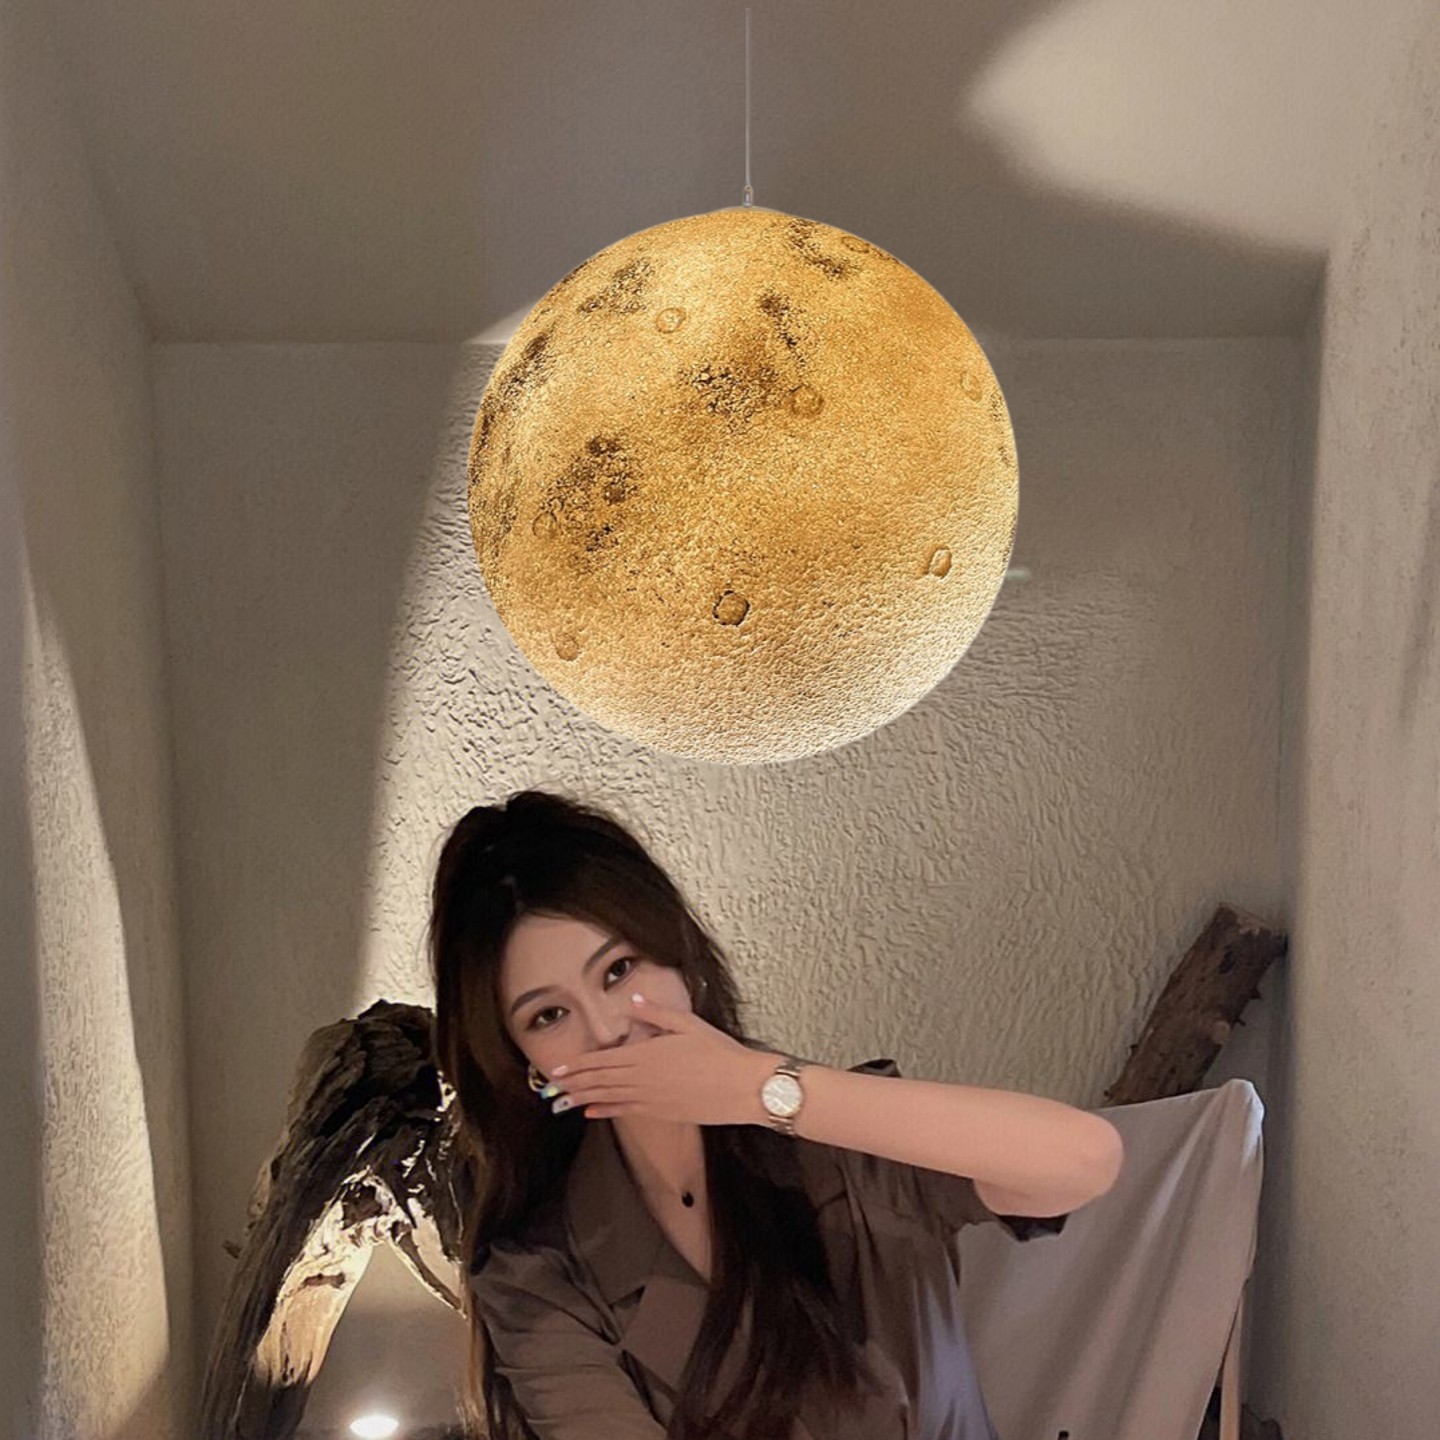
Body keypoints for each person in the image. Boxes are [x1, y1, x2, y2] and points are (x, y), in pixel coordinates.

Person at [429, 789, 1123, 1440]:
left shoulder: (840, 1137)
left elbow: (1084, 1160)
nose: (607, 1030)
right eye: (549, 1016)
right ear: (523, 1061)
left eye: (619, 970)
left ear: (678, 954)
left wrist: (758, 1088)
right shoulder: (540, 1275)